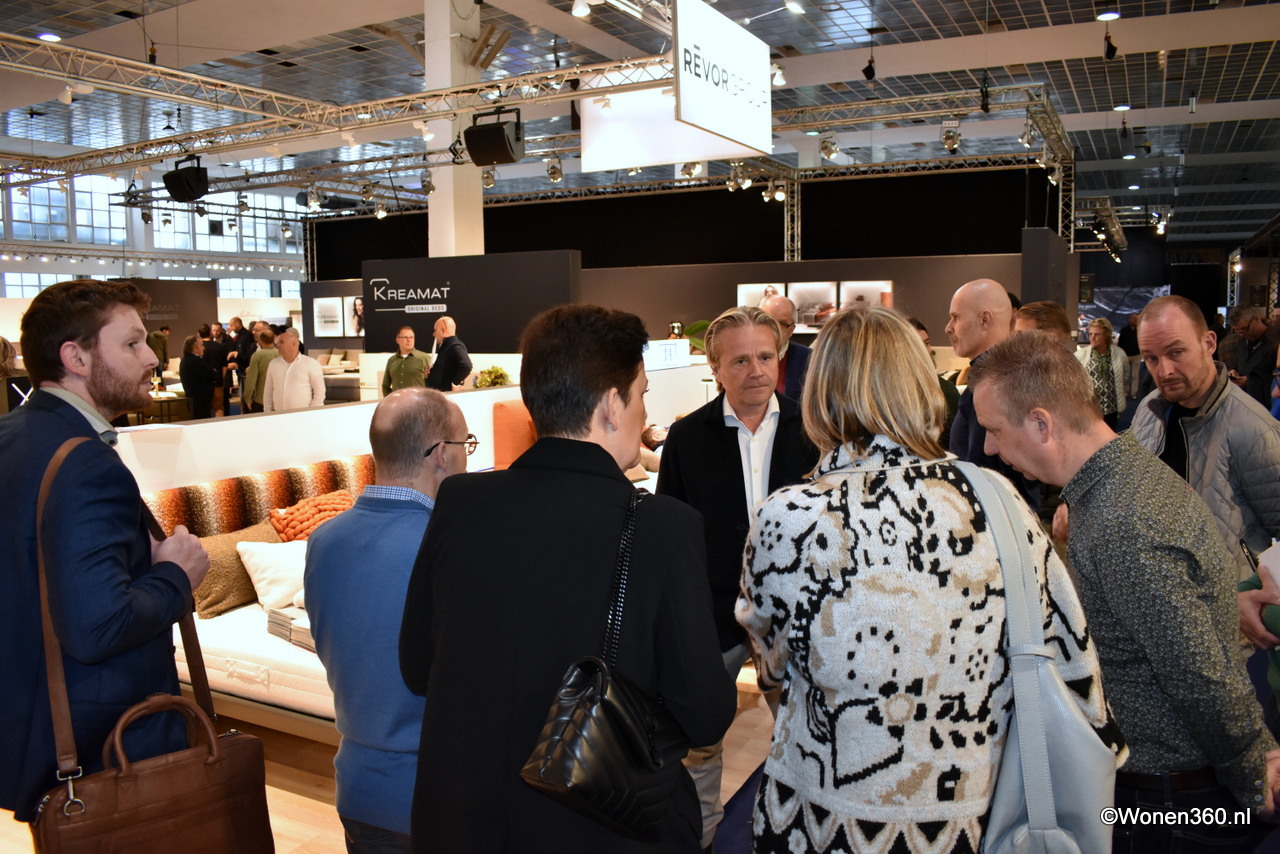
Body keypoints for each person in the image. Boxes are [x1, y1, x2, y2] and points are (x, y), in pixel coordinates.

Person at [738, 308, 1119, 853]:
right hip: (976, 813)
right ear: (919, 386)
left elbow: (772, 667)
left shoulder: (789, 517)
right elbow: (1067, 649)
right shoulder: (996, 498)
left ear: (819, 394)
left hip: (825, 820)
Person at [399, 304, 735, 852]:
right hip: (604, 824)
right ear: (610, 406)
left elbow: (418, 668)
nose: (644, 410)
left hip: (463, 819)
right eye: (642, 394)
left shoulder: (460, 503)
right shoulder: (664, 527)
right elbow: (705, 715)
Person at [969, 330, 1280, 852]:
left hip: (1173, 806)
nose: (989, 448)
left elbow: (1198, 674)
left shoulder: (1123, 518)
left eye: (995, 430)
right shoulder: (1119, 482)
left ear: (1042, 424)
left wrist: (1253, 771)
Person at [0, 279, 210, 823]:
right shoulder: (86, 464)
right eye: (132, 343)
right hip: (104, 748)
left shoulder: (12, 436)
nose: (151, 358)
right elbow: (98, 626)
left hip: (31, 732)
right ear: (76, 358)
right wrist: (175, 575)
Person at [657, 305, 818, 847]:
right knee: (699, 744)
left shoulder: (814, 430)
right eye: (741, 360)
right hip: (712, 615)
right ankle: (698, 839)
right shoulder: (686, 439)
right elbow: (674, 535)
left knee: (806, 738)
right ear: (715, 367)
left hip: (795, 617)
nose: (756, 371)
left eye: (766, 357)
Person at [306, 387, 469, 852]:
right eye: (466, 445)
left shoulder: (323, 540)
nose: (467, 458)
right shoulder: (451, 546)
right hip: (437, 795)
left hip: (358, 788)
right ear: (441, 454)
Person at [1130, 296, 1280, 585]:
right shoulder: (1149, 410)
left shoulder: (1253, 428)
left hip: (1226, 600)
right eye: (1151, 358)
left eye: (1176, 352)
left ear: (1209, 343)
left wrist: (1255, 593)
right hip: (1157, 591)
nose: (1164, 371)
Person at [945, 277, 1039, 508]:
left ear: (984, 319)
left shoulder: (992, 384)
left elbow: (983, 469)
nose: (948, 328)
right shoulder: (1009, 374)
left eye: (956, 317)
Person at [907, 316, 959, 448]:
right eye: (916, 345)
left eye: (926, 343)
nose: (924, 351)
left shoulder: (945, 390)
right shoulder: (887, 392)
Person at [1076, 316, 1126, 429]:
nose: (1092, 337)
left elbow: (1125, 378)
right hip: (1090, 409)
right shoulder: (1081, 355)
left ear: (1106, 336)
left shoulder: (1119, 354)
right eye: (1090, 334)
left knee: (1110, 437)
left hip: (1111, 408)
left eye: (1097, 334)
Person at [760, 294, 811, 400]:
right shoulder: (739, 356)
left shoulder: (810, 359)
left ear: (791, 330)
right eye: (768, 321)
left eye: (782, 324)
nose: (774, 329)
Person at [1227, 306, 1278, 409]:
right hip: (1244, 403)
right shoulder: (1242, 340)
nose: (1241, 334)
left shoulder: (1275, 341)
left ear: (1256, 319)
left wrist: (1250, 381)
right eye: (1236, 331)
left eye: (1244, 329)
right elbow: (1239, 363)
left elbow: (1275, 377)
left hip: (1267, 405)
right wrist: (1234, 371)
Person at [263, 328, 325, 412]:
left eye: (282, 342)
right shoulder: (273, 364)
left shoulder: (311, 363)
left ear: (293, 344)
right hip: (278, 414)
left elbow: (320, 391)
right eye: (278, 342)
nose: (278, 345)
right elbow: (268, 391)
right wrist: (267, 412)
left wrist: (311, 412)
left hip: (303, 414)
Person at [178, 334, 219, 420]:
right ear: (194, 348)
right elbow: (214, 375)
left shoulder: (185, 360)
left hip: (194, 401)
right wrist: (213, 372)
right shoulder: (196, 361)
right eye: (201, 345)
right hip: (200, 402)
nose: (203, 348)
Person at [425, 316, 472, 391]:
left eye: (435, 330)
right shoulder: (447, 347)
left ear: (443, 330)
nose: (433, 334)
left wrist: (455, 384)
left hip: (446, 395)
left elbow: (466, 366)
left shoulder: (455, 346)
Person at [382, 326, 429, 397]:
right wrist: (390, 400)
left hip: (418, 402)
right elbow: (385, 386)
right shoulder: (391, 360)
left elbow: (433, 385)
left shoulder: (424, 358)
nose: (409, 340)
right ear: (397, 340)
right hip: (398, 403)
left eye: (411, 337)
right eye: (405, 337)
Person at [243, 327, 278, 414]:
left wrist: (247, 397)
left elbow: (251, 379)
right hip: (278, 399)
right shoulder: (280, 353)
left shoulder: (257, 355)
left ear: (260, 341)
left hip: (261, 399)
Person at [198, 322, 228, 417]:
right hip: (217, 383)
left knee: (205, 410)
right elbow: (224, 367)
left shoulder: (198, 348)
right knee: (219, 408)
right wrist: (220, 379)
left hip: (203, 385)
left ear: (199, 334)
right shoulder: (220, 346)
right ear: (210, 332)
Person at [1119, 313, 1142, 398]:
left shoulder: (1140, 330)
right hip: (1126, 355)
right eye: (1134, 319)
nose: (1136, 321)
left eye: (1137, 319)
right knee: (1125, 375)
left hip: (1137, 355)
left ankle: (1134, 393)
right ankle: (1126, 391)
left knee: (1135, 375)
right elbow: (1120, 343)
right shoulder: (1124, 330)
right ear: (1130, 320)